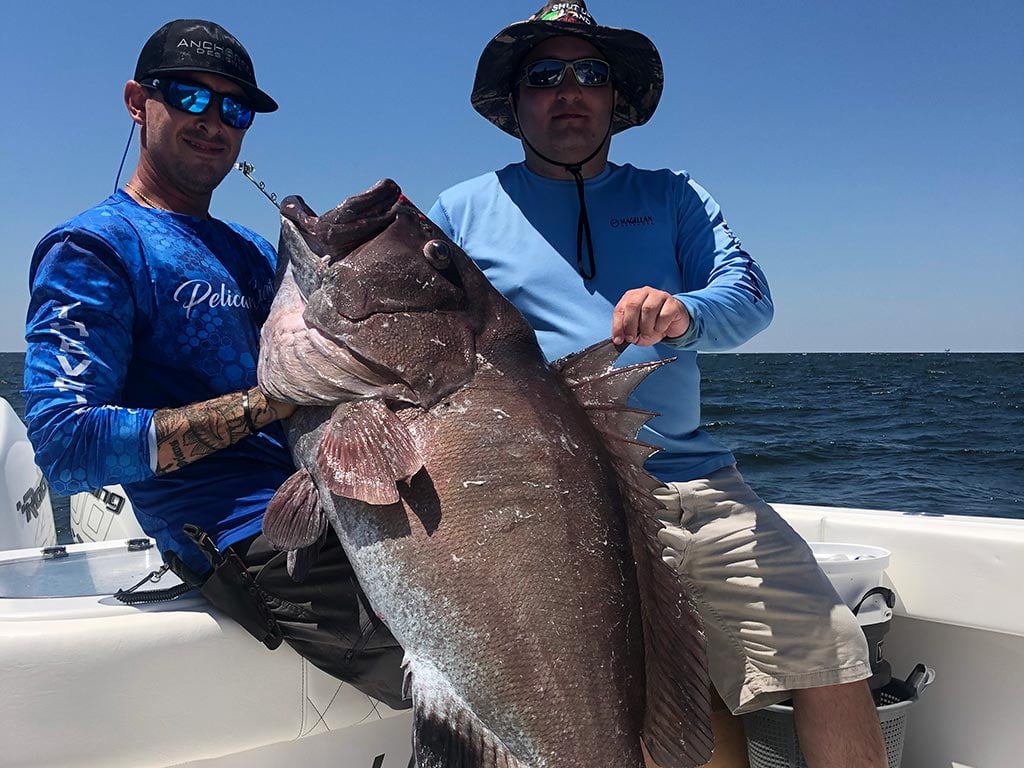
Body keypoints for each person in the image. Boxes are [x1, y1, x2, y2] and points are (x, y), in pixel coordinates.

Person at [428, 2, 887, 765]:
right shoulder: (461, 211)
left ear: (617, 97)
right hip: (565, 500)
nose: (568, 89)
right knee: (660, 696)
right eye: (545, 75)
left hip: (700, 482)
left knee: (834, 651)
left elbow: (750, 298)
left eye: (590, 73)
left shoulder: (674, 195)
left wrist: (686, 312)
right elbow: (433, 352)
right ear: (515, 104)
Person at [23, 19, 406, 709]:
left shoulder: (254, 252)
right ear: (138, 101)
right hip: (233, 535)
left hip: (331, 495)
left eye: (234, 109)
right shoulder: (94, 248)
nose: (214, 121)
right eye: (189, 97)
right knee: (462, 656)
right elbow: (64, 446)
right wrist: (269, 404)